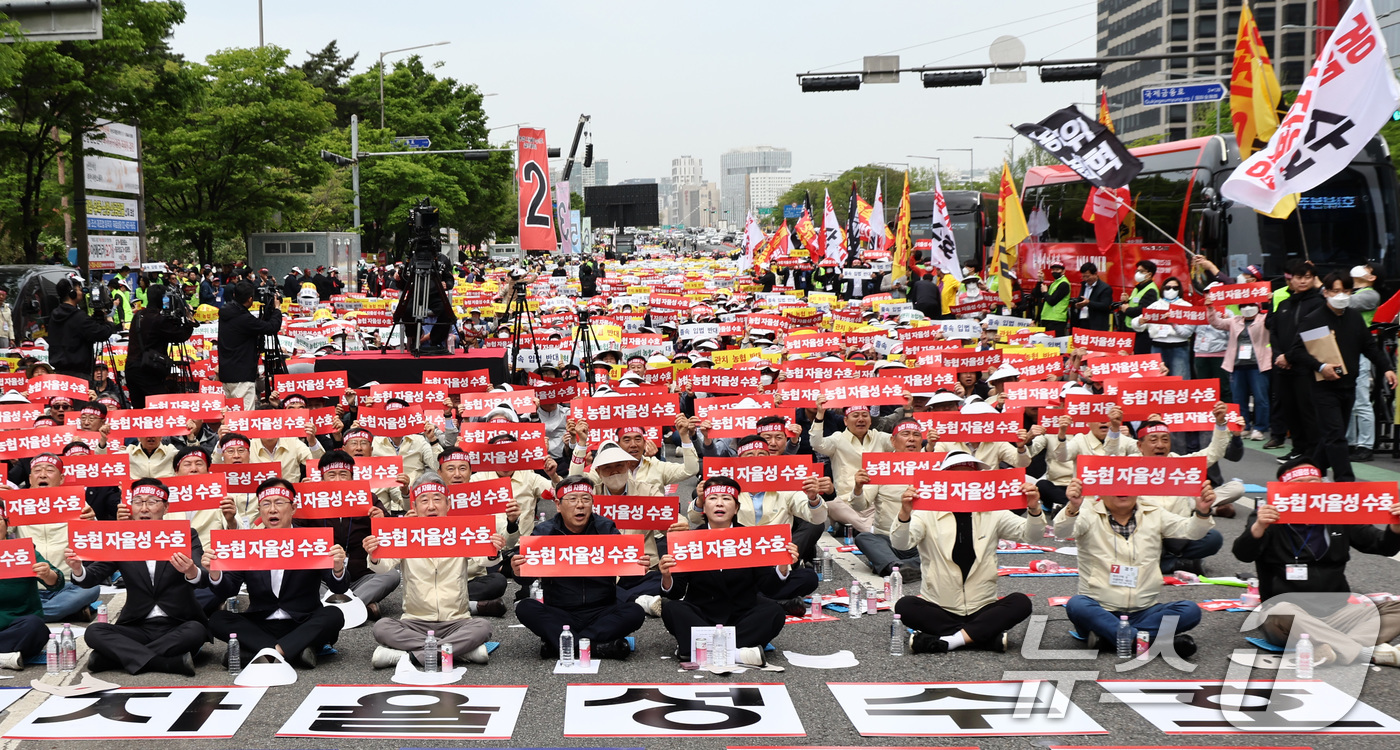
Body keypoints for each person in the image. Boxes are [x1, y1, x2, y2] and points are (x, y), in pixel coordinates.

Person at [1232, 457, 1400, 668]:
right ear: (1284, 489)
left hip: (1338, 612)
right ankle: (1364, 651)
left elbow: (1382, 546)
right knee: (1280, 611)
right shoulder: (1267, 515)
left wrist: (1395, 527)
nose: (1311, 489)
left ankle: (1334, 648)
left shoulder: (1338, 513)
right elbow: (1243, 554)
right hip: (1290, 614)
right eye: (1302, 484)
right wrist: (1259, 527)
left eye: (1315, 482)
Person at [892, 452, 1045, 653]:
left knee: (1021, 602)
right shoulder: (926, 512)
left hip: (982, 606)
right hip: (939, 606)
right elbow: (901, 543)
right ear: (943, 481)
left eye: (969, 476)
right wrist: (904, 513)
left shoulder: (993, 511)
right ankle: (983, 637)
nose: (963, 483)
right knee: (905, 606)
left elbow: (1031, 535)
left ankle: (950, 640)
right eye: (957, 476)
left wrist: (1034, 509)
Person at [1058, 476, 1215, 657]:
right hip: (1101, 609)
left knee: (1190, 610)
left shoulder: (1153, 512)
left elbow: (1191, 531)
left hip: (1145, 611)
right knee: (1077, 605)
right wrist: (1073, 507)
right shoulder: (1088, 512)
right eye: (1115, 484)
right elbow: (1062, 531)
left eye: (1128, 483)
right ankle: (1147, 642)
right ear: (1101, 489)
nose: (1122, 490)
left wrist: (1202, 512)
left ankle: (1114, 639)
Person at [204, 478, 350, 668]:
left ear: (293, 507)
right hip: (261, 623)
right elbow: (228, 590)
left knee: (334, 615)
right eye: (266, 504)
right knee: (217, 619)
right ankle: (294, 652)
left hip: (303, 621)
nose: (272, 509)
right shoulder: (247, 543)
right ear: (260, 510)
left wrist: (337, 568)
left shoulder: (312, 540)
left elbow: (339, 587)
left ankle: (264, 653)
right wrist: (215, 573)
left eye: (279, 502)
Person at [67, 478, 207, 676]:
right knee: (94, 632)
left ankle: (113, 658)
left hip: (178, 623)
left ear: (166, 507)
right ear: (130, 507)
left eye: (152, 502)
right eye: (138, 502)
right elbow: (92, 576)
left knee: (196, 631)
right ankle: (166, 663)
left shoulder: (184, 534)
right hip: (137, 626)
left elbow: (203, 576)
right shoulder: (123, 538)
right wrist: (78, 569)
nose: (144, 508)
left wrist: (191, 571)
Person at [659, 476, 795, 666]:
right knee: (672, 609)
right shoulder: (689, 539)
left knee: (774, 612)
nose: (719, 503)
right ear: (704, 507)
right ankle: (738, 653)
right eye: (713, 498)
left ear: (736, 508)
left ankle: (698, 650)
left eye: (726, 498)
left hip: (741, 615)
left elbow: (769, 588)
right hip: (702, 614)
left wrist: (782, 565)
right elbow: (676, 593)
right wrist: (667, 576)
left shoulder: (751, 538)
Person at [364, 473, 493, 668]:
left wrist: (493, 549)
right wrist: (374, 554)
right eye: (424, 500)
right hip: (415, 622)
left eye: (437, 499)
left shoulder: (462, 531)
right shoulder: (404, 533)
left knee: (483, 627)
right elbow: (382, 568)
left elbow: (486, 561)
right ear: (414, 507)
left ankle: (407, 657)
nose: (431, 506)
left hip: (456, 621)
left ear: (448, 505)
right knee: (382, 627)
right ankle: (460, 652)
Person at [512, 477, 645, 660]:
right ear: (558, 505)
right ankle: (596, 647)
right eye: (572, 499)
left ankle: (563, 645)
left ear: (592, 503)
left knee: (635, 612)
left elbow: (628, 580)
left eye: (585, 499)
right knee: (525, 608)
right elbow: (525, 579)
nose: (580, 505)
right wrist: (518, 571)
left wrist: (637, 567)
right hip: (560, 611)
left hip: (601, 610)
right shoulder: (544, 532)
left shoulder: (606, 529)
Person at [1287, 272, 1396, 482]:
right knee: (1336, 435)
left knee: (1333, 435)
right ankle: (1345, 481)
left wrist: (1387, 368)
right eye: (1335, 291)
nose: (1341, 295)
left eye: (1346, 291)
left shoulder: (1354, 317)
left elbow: (1369, 346)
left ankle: (1310, 471)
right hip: (1323, 387)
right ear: (1326, 292)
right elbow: (1296, 352)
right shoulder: (1314, 319)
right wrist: (1321, 366)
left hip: (1348, 385)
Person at [298, 451, 400, 619]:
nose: (338, 480)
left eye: (343, 474)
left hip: (362, 575)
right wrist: (301, 499)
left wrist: (382, 520)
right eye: (332, 475)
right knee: (301, 578)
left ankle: (342, 606)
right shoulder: (310, 500)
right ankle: (360, 607)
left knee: (392, 575)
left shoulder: (367, 498)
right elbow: (294, 532)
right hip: (324, 577)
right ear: (321, 478)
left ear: (352, 477)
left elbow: (391, 535)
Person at [13, 453, 102, 622]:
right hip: (28, 586)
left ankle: (21, 615)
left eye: (49, 470)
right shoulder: (16, 504)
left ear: (61, 479)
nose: (43, 475)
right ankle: (66, 612)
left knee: (91, 589)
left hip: (66, 584)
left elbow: (96, 541)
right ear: (30, 478)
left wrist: (92, 521)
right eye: (37, 471)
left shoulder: (76, 503)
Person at [1267, 259, 1324, 459]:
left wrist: (1289, 356)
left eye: (1307, 277)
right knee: (1289, 409)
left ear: (1314, 279)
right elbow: (1273, 332)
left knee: (1307, 410)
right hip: (1282, 366)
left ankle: (1312, 451)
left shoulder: (1318, 303)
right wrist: (1278, 355)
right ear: (1291, 280)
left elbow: (1309, 334)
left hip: (1305, 366)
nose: (1303, 281)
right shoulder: (1284, 303)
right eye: (1299, 277)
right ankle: (1298, 448)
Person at [0, 521, 63, 669]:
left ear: (7, 524)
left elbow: (57, 582)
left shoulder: (22, 551)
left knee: (36, 627)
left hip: (19, 625)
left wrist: (47, 574)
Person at [1208, 299, 1271, 441]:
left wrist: (1270, 301)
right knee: (1238, 399)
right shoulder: (1235, 320)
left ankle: (1260, 428)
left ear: (1258, 306)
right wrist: (1211, 308)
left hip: (1258, 365)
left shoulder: (1264, 319)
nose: (1247, 308)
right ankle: (1244, 426)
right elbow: (1216, 323)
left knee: (1260, 398)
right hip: (1237, 365)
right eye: (1244, 305)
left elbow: (1274, 320)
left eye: (1251, 305)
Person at [125, 283, 196, 408]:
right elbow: (180, 335)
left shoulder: (138, 315)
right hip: (147, 370)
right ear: (163, 299)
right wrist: (189, 320)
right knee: (160, 407)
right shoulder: (158, 319)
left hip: (131, 367)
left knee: (138, 410)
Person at [218, 281, 282, 409]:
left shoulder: (227, 312)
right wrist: (277, 309)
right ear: (250, 299)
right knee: (245, 416)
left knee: (233, 415)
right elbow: (271, 327)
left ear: (234, 295)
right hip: (242, 377)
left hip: (227, 373)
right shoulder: (243, 318)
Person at [46, 275, 119, 380]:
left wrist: (93, 319)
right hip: (78, 375)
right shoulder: (78, 316)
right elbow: (100, 333)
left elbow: (80, 329)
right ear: (72, 293)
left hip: (59, 374)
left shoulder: (54, 314)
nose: (82, 293)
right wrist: (110, 323)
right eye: (79, 290)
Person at [1348, 264, 1381, 461]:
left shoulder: (1370, 295)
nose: (1361, 269)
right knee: (1348, 400)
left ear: (1372, 277)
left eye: (1367, 268)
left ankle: (1365, 445)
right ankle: (1350, 442)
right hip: (1344, 351)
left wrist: (1322, 287)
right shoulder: (1351, 291)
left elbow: (1344, 303)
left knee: (1361, 400)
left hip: (1360, 351)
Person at [1120, 260, 1160, 354]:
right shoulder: (1138, 287)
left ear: (1149, 274)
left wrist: (1127, 309)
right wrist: (1126, 301)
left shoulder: (1151, 290)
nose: (1137, 273)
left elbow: (1143, 310)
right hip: (1131, 330)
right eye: (1137, 271)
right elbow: (1134, 303)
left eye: (1141, 271)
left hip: (1142, 332)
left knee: (1139, 357)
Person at [1040, 261, 1071, 336]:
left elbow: (1052, 301)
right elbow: (1037, 294)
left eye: (1057, 270)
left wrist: (1045, 292)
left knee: (1055, 342)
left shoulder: (1064, 284)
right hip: (1047, 317)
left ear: (1063, 271)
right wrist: (1040, 281)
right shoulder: (1054, 283)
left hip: (1057, 319)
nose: (1054, 272)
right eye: (1053, 270)